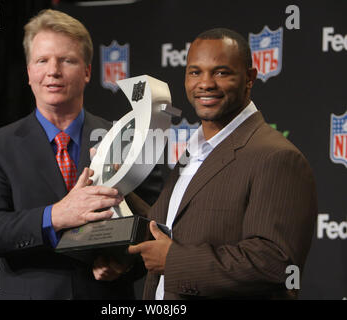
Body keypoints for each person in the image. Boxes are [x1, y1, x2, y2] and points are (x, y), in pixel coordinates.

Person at [0, 9, 149, 300]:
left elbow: (154, 225)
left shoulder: (126, 139)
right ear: (29, 72)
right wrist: (55, 215)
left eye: (67, 60)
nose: (54, 71)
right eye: (42, 60)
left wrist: (123, 264)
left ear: (88, 71)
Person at [128, 28, 318, 300]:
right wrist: (118, 192)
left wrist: (175, 261)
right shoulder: (194, 150)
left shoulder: (277, 157)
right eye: (195, 72)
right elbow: (170, 229)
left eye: (221, 72)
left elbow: (275, 263)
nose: (205, 83)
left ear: (249, 78)